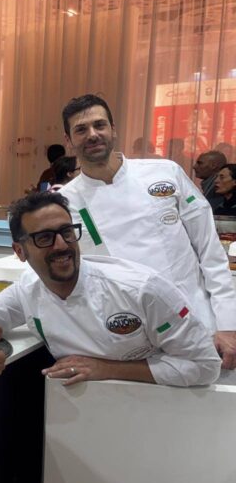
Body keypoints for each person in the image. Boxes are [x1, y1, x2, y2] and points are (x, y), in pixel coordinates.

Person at [0, 192, 220, 387]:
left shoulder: (142, 289)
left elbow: (205, 365)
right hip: (86, 414)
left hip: (159, 408)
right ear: (20, 251)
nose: (61, 245)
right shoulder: (30, 290)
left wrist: (107, 369)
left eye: (67, 232)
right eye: (44, 237)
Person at [58, 94, 236, 368]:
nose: (92, 134)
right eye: (81, 129)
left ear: (113, 129)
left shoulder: (165, 173)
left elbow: (210, 252)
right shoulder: (65, 202)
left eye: (99, 125)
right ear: (69, 140)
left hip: (199, 323)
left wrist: (227, 323)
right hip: (128, 336)